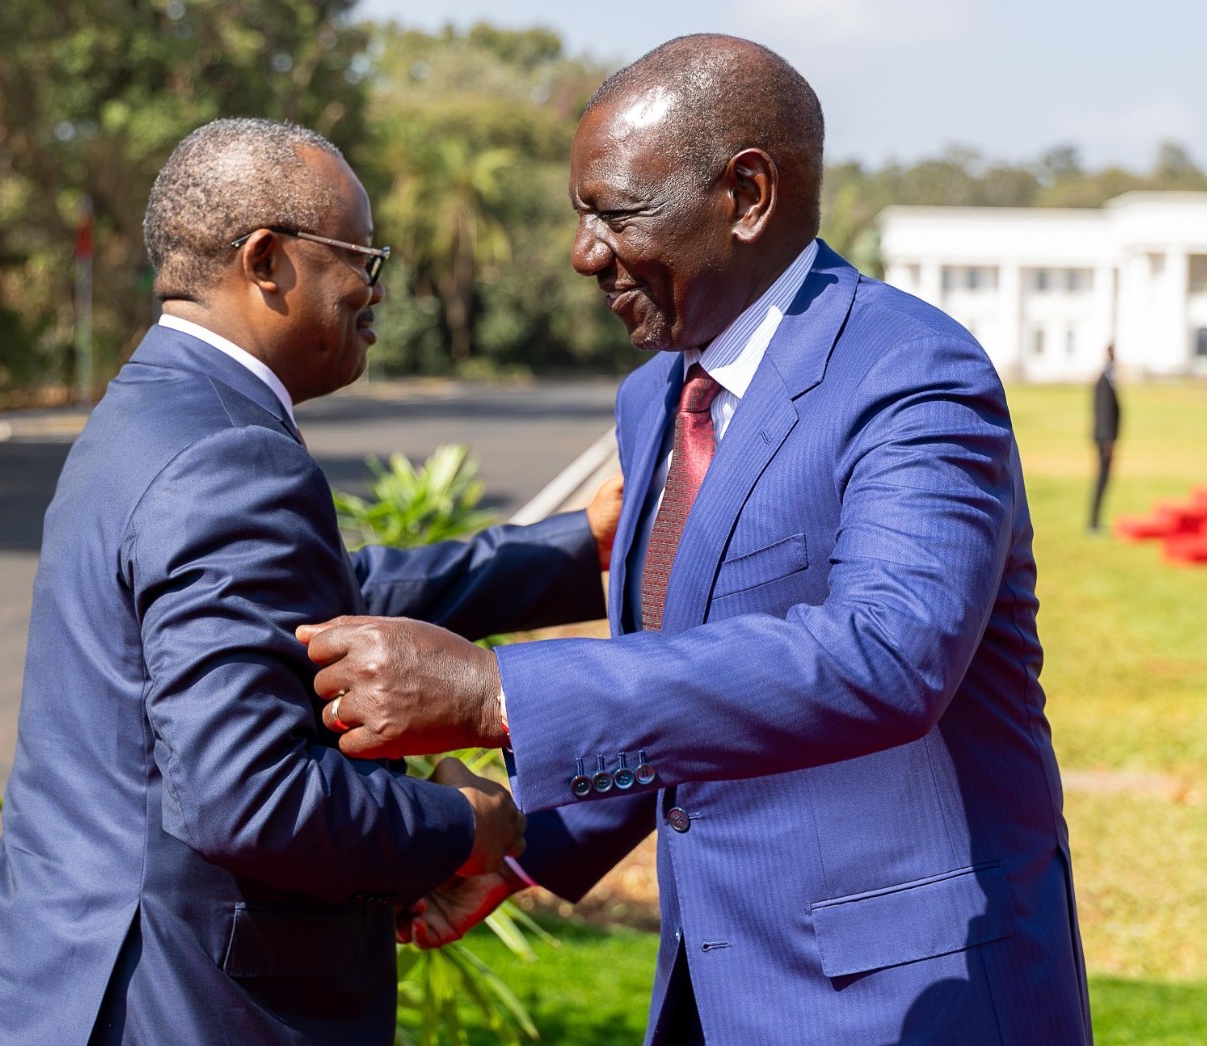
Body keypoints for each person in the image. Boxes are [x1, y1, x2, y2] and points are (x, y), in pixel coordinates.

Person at [300, 36, 1091, 1045]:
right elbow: (690, 693)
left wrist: (500, 694)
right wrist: (518, 850)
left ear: (746, 194)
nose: (585, 254)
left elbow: (889, 655)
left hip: (911, 999)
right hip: (719, 989)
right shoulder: (656, 399)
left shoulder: (911, 372)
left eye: (614, 212)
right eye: (580, 215)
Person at [0, 118, 617, 1046]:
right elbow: (249, 797)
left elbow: (327, 598)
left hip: (52, 985)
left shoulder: (149, 406)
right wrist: (461, 824)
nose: (373, 289)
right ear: (266, 261)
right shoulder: (233, 452)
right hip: (171, 1009)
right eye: (359, 256)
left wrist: (585, 546)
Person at [1090, 345, 1121, 532]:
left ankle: (1095, 521)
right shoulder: (1104, 380)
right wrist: (1108, 440)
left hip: (1106, 438)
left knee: (1104, 480)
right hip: (1104, 440)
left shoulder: (1109, 378)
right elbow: (1103, 412)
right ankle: (1093, 522)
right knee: (1101, 479)